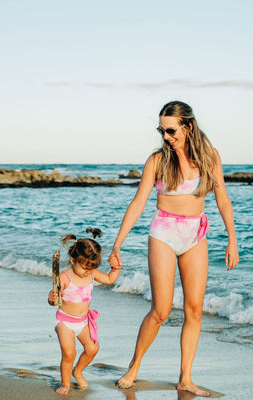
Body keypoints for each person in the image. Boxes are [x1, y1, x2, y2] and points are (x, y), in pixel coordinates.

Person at [109, 101, 239, 397]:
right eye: (162, 130)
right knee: (161, 310)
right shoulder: (157, 160)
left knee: (194, 310)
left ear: (188, 126)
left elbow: (222, 199)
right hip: (164, 233)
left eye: (170, 130)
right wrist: (118, 243)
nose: (166, 136)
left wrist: (232, 239)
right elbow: (139, 202)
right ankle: (134, 366)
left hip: (196, 234)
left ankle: (185, 378)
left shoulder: (210, 157)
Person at [48, 227, 121, 395]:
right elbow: (55, 299)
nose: (87, 272)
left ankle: (78, 371)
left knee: (92, 348)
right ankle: (65, 383)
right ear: (73, 260)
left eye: (91, 268)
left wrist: (116, 269)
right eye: (84, 268)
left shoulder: (91, 273)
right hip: (65, 322)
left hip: (83, 322)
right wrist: (51, 299)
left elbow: (109, 279)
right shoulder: (64, 278)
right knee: (69, 353)